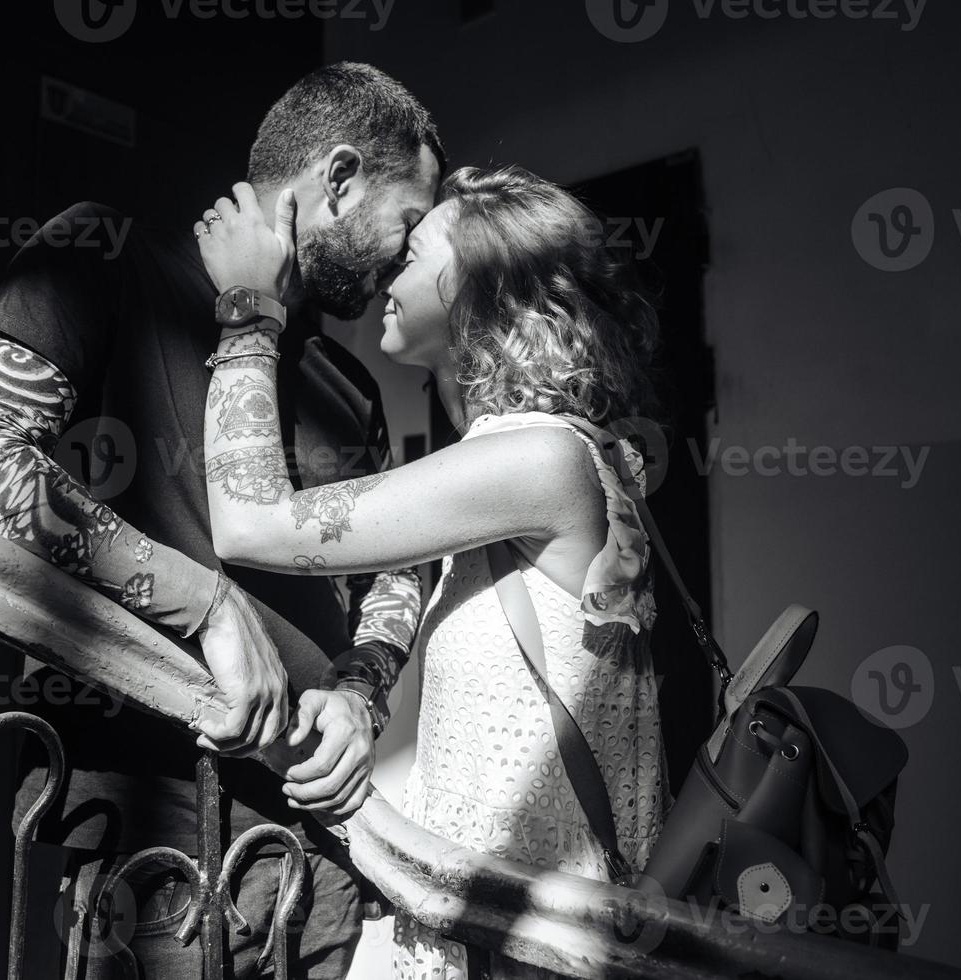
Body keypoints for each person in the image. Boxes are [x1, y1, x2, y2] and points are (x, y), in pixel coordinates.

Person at [0, 62, 444, 978]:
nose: (408, 254)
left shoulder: (346, 385)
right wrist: (204, 601)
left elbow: (399, 571)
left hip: (323, 844)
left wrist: (361, 692)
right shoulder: (102, 253)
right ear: (340, 177)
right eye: (407, 221)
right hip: (159, 840)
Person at [192, 164, 671, 979]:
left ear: (479, 289)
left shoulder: (536, 459)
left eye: (413, 253)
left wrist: (248, 311)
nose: (386, 272)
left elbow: (249, 524)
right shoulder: (505, 466)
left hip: (534, 954)